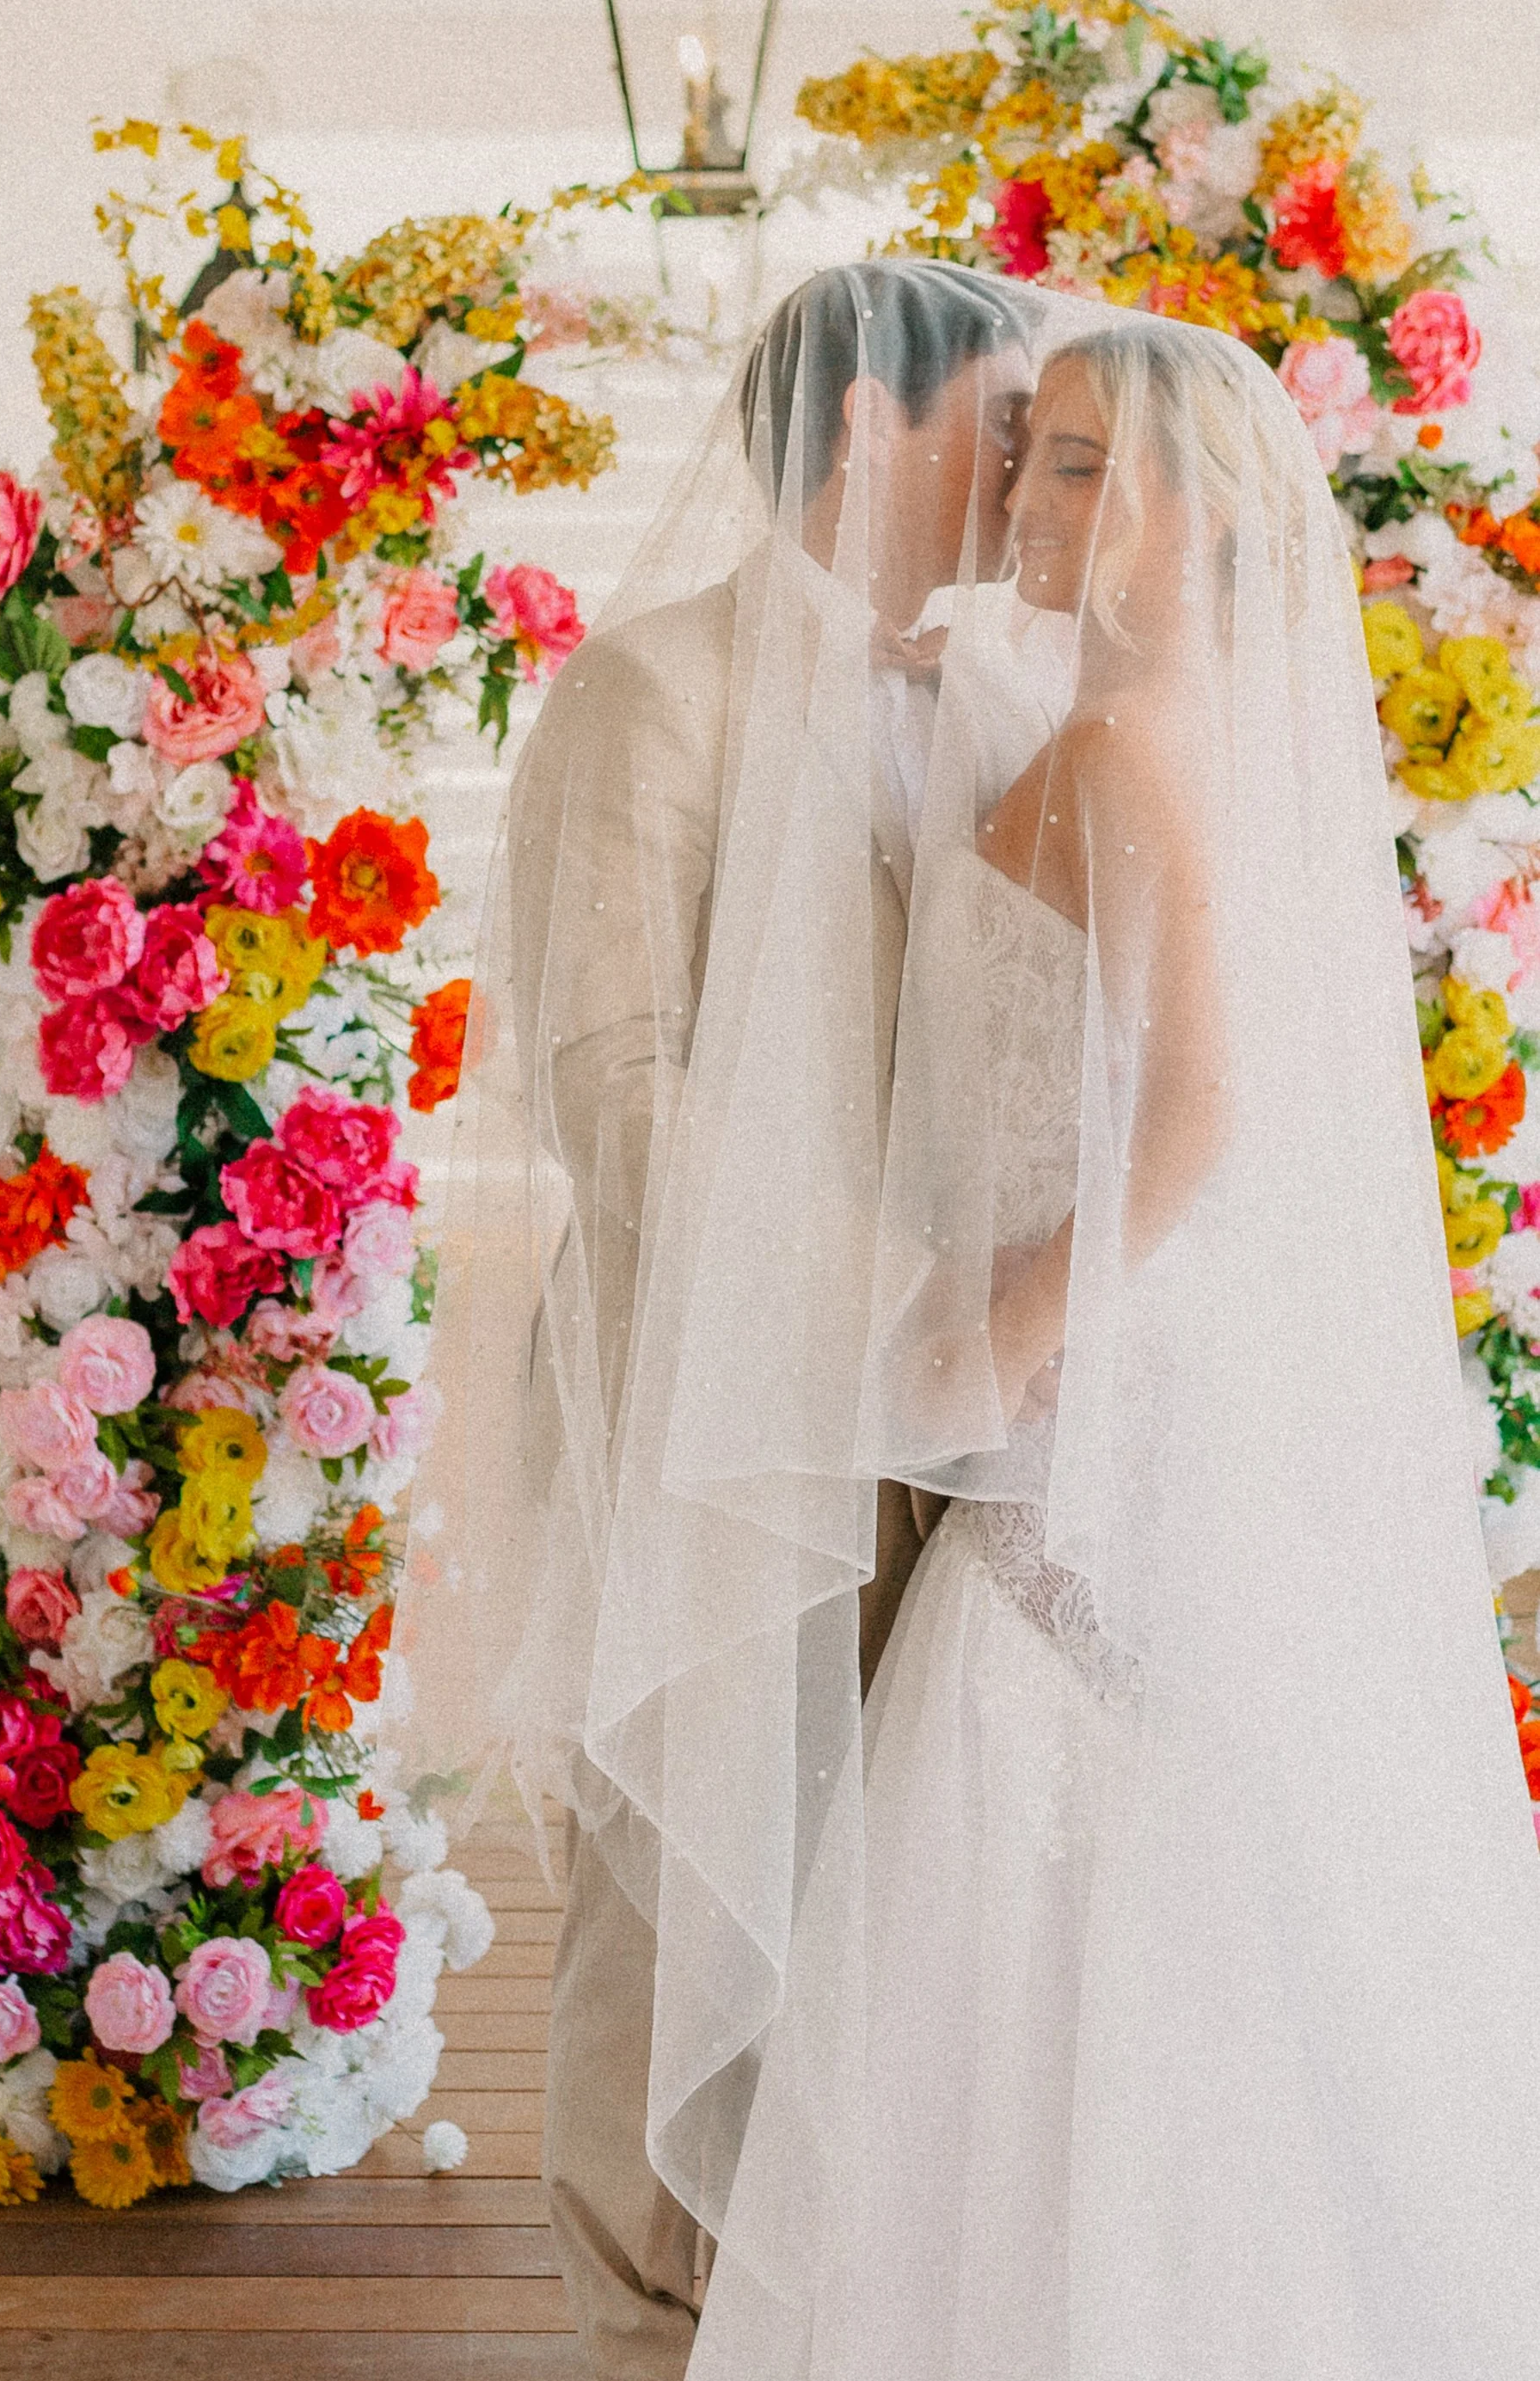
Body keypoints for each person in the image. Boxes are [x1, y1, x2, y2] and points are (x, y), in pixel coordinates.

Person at [676, 307, 1540, 2378]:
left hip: (1080, 1437)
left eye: (1072, 463)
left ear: (1184, 511)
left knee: (1046, 1850)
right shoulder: (1122, 717)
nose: (1024, 496)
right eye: (1026, 450)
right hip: (1133, 1403)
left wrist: (1005, 1322)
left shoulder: (1125, 748)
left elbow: (1200, 1111)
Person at [378, 260, 1047, 2381]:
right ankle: (649, 2325)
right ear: (872, 428)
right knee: (682, 1895)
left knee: (896, 1873)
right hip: (712, 1394)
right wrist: (875, 1317)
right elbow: (612, 1074)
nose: (1029, 473)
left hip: (959, 1419)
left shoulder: (995, 706)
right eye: (1004, 427)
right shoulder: (647, 691)